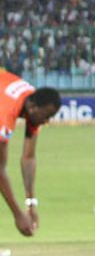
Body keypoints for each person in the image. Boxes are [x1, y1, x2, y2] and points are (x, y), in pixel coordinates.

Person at [0, 68, 61, 241]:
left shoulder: (31, 100)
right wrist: (18, 214)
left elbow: (28, 157)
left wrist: (30, 204)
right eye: (47, 116)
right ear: (33, 108)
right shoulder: (5, 112)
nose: (47, 121)